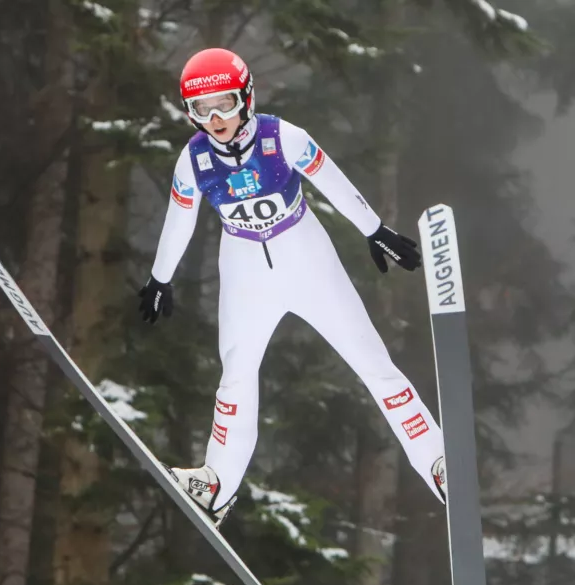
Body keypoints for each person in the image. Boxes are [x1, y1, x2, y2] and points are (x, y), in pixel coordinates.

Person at [138, 47, 447, 528]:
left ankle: (437, 462)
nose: (217, 118)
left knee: (373, 363)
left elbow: (334, 181)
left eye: (225, 103)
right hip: (244, 269)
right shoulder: (193, 159)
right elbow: (179, 220)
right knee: (236, 375)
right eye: (203, 108)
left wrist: (375, 230)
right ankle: (217, 484)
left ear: (246, 98)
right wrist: (160, 277)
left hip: (306, 259)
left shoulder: (281, 136)